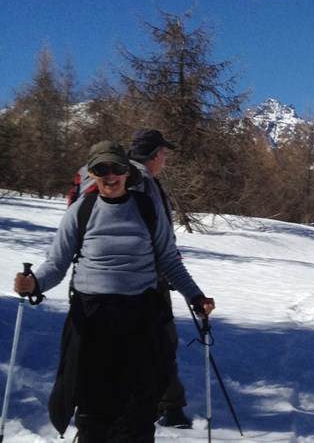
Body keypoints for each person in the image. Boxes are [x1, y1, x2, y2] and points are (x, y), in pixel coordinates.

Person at [13, 140, 215, 442]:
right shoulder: (81, 212)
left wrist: (196, 297)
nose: (110, 175)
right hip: (92, 317)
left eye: (116, 167)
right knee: (94, 404)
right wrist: (34, 284)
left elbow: (169, 261)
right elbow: (56, 263)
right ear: (93, 174)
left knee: (139, 404)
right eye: (101, 169)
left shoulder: (148, 209)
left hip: (141, 316)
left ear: (127, 171)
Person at [127, 129, 192, 428]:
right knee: (161, 342)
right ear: (153, 155)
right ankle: (166, 407)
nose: (166, 157)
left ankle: (153, 404)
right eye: (164, 152)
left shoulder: (126, 181)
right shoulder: (142, 185)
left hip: (126, 280)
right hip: (149, 279)